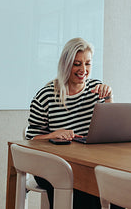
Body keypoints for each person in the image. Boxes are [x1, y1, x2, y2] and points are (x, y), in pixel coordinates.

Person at [26, 37, 116, 209]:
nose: (83, 70)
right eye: (77, 64)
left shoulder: (96, 90)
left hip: (88, 164)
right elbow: (30, 140)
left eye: (88, 64)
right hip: (54, 166)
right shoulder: (45, 96)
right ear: (66, 64)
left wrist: (110, 98)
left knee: (117, 188)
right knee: (84, 187)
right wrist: (53, 135)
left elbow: (110, 131)